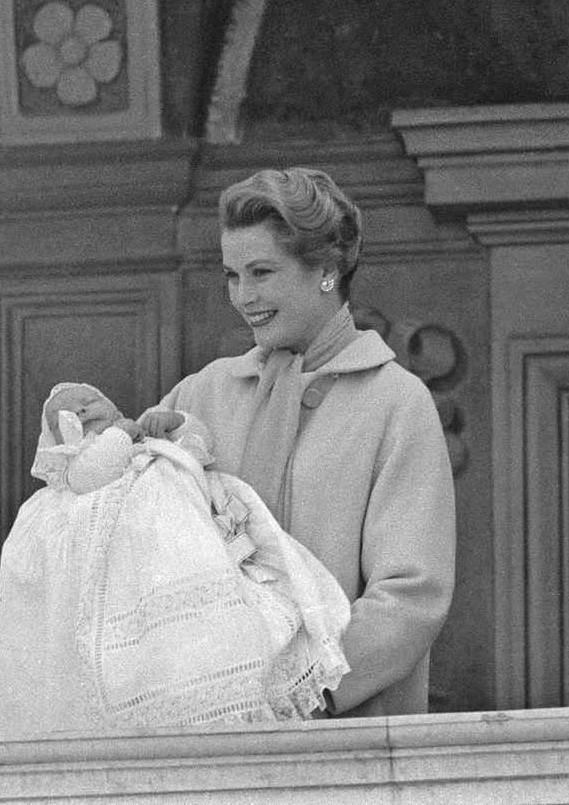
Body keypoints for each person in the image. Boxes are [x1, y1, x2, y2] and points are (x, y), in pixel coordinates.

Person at [151, 166, 456, 718]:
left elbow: (412, 596)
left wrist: (303, 695)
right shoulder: (204, 394)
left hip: (347, 741)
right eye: (232, 276)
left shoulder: (396, 403)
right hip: (219, 740)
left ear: (328, 271)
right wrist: (95, 429)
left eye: (261, 272)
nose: (243, 297)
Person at [0, 382, 351, 733]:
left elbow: (198, 447)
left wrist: (175, 423)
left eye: (90, 402)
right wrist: (119, 435)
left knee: (233, 615)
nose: (84, 412)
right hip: (148, 553)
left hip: (190, 537)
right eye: (71, 414)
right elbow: (91, 474)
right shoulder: (76, 463)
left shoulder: (151, 442)